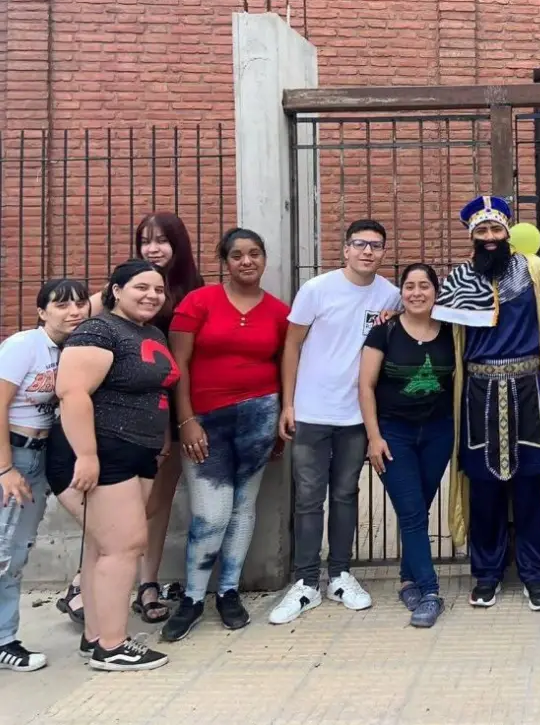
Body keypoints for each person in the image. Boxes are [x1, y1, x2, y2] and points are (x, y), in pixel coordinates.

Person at [47, 260, 181, 671]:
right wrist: (87, 455)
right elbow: (72, 393)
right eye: (141, 287)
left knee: (105, 548)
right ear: (115, 290)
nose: (152, 296)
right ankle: (113, 645)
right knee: (125, 546)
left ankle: (96, 639)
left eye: (158, 289)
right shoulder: (98, 329)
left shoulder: (149, 332)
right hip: (100, 450)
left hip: (133, 452)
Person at [434, 196, 540, 611]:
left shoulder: (534, 270)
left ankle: (535, 575)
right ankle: (486, 575)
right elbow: (433, 324)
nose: (490, 238)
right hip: (478, 393)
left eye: (496, 230)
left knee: (530, 488)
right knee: (485, 490)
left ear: (508, 233)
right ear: (472, 237)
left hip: (528, 387)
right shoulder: (457, 279)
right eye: (482, 232)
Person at [161, 228, 290, 642]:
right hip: (205, 420)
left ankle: (229, 592)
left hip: (260, 415)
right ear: (225, 261)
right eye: (237, 255)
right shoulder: (198, 303)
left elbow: (287, 364)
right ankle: (194, 597)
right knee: (210, 513)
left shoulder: (277, 311)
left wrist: (281, 421)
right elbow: (176, 365)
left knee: (242, 508)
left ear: (264, 259)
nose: (247, 261)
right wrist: (187, 421)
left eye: (255, 254)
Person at [268, 219, 400, 625]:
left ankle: (340, 575)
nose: (367, 252)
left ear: (383, 252)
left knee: (345, 494)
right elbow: (291, 345)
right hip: (311, 411)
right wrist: (287, 404)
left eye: (376, 246)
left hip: (355, 414)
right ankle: (306, 582)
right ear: (345, 249)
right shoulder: (317, 290)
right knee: (309, 498)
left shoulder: (391, 295)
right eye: (360, 244)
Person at [81, 212, 204, 625]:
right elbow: (72, 322)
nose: (153, 248)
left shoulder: (192, 291)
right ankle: (82, 586)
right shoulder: (119, 290)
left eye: (162, 241)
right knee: (112, 509)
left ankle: (147, 582)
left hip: (168, 409)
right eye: (145, 241)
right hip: (115, 417)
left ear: (179, 245)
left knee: (156, 503)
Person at [359, 263, 455, 629]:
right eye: (410, 286)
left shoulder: (451, 331)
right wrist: (374, 436)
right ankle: (430, 592)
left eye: (424, 286)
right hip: (394, 435)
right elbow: (366, 385)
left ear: (436, 291)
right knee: (413, 512)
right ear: (401, 292)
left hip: (437, 433)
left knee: (418, 508)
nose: (417, 292)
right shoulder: (384, 331)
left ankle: (406, 579)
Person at [0, 279, 89, 672]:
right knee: (3, 554)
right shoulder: (24, 346)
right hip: (12, 454)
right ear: (41, 311)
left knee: (16, 553)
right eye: (61, 304)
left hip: (39, 457)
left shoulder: (72, 350)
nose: (73, 311)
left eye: (80, 304)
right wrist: (5, 468)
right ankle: (4, 640)